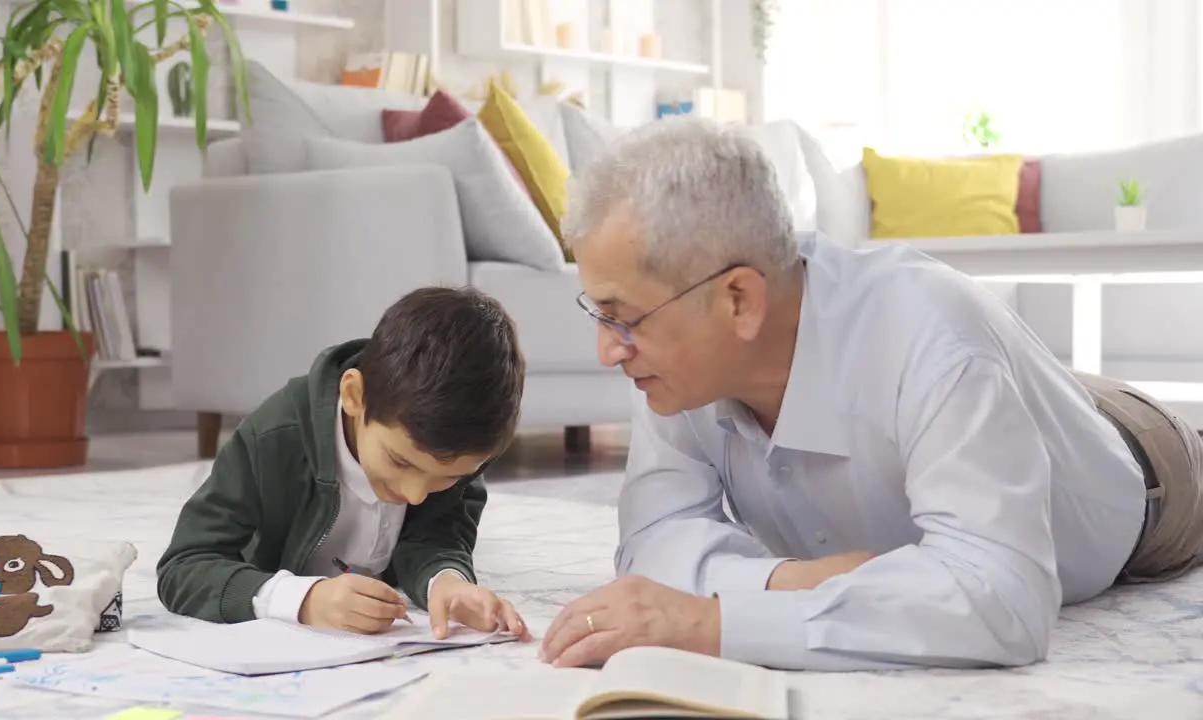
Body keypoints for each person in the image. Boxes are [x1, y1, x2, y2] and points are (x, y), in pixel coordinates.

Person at [539, 116, 1203, 671]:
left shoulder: (928, 333)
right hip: (989, 404)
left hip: (1148, 470)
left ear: (738, 299)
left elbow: (1003, 602)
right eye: (602, 315)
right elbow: (654, 539)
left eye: (622, 317)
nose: (608, 349)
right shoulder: (674, 358)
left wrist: (714, 623)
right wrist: (785, 580)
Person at [158, 287, 531, 641]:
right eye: (399, 460)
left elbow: (436, 537)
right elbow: (184, 567)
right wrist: (304, 600)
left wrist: (447, 582)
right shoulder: (273, 437)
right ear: (354, 395)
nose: (416, 495)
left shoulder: (462, 452)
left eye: (448, 478)